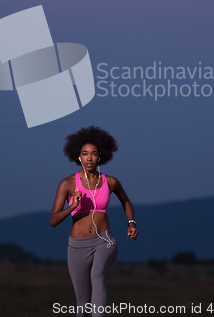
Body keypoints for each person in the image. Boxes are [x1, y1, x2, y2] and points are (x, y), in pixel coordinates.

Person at [50, 126, 138, 317]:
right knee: (82, 305)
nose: (89, 158)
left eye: (94, 154)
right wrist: (72, 206)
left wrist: (131, 222)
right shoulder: (67, 183)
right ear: (78, 157)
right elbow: (53, 220)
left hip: (104, 241)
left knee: (97, 275)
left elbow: (126, 201)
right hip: (77, 245)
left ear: (101, 157)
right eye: (85, 154)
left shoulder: (111, 182)